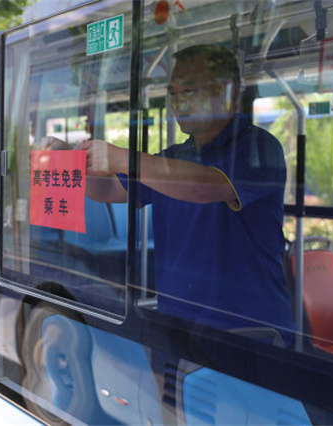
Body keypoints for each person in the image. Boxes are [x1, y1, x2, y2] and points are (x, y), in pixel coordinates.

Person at [49, 44, 295, 345]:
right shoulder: (174, 157)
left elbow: (205, 186)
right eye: (173, 93)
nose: (178, 103)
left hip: (247, 331)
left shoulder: (259, 148)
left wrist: (124, 158)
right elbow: (108, 189)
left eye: (189, 90)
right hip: (179, 327)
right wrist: (68, 160)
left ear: (227, 93)